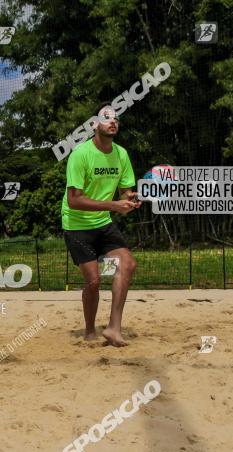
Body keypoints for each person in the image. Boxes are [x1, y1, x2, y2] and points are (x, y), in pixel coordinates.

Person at [61, 103, 140, 347]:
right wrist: (114, 206)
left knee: (127, 264)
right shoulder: (80, 154)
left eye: (116, 118)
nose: (112, 121)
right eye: (106, 118)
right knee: (93, 281)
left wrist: (130, 200)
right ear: (95, 124)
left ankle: (114, 328)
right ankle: (89, 330)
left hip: (103, 222)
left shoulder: (121, 154)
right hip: (76, 226)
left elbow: (125, 191)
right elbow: (74, 201)